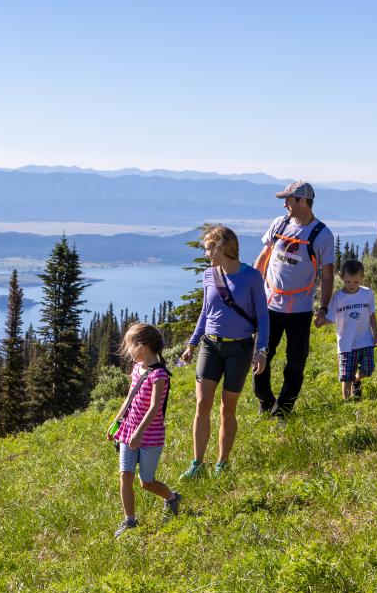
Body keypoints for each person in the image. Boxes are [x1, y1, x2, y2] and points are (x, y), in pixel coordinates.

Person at [178, 225, 269, 478]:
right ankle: (197, 464)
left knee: (227, 408)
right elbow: (205, 313)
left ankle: (222, 464)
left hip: (239, 348)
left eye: (209, 248)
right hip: (211, 345)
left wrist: (261, 350)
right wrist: (192, 344)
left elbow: (263, 316)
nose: (206, 253)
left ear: (221, 247)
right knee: (202, 404)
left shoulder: (251, 277)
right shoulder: (209, 275)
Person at [252, 180, 336, 418]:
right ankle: (265, 402)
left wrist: (324, 307)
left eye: (288, 200)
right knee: (261, 355)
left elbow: (327, 275)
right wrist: (252, 291)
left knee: (296, 362)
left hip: (300, 309)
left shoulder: (322, 235)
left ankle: (283, 410)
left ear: (302, 201)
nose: (285, 205)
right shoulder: (279, 224)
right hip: (270, 305)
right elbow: (263, 256)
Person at [108, 322, 181, 536]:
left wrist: (139, 432)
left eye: (130, 345)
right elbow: (130, 398)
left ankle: (172, 498)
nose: (129, 351)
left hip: (150, 437)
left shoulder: (159, 375)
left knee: (146, 482)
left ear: (143, 346)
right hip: (128, 432)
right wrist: (116, 421)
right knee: (125, 476)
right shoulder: (137, 369)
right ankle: (129, 520)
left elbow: (154, 407)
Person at [327, 259, 377, 400]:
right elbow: (330, 318)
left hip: (365, 339)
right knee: (346, 376)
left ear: (362, 277)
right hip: (346, 343)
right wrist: (320, 320)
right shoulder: (338, 297)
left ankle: (357, 380)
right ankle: (347, 402)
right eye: (348, 282)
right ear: (342, 277)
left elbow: (372, 316)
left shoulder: (367, 293)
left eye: (356, 282)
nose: (352, 285)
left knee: (369, 369)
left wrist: (376, 335)